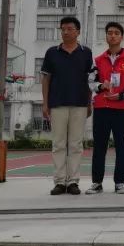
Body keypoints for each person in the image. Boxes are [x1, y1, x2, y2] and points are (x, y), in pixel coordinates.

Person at [85, 22, 124, 195]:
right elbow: (90, 82)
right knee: (100, 147)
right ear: (106, 36)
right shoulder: (98, 60)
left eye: (116, 33)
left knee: (121, 146)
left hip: (121, 108)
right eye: (109, 33)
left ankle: (120, 182)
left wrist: (122, 96)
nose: (113, 35)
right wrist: (102, 86)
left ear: (122, 36)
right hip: (101, 107)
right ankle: (97, 182)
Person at [41, 17, 94, 195]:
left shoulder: (86, 52)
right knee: (58, 144)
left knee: (76, 144)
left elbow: (90, 80)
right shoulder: (52, 53)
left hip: (79, 104)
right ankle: (59, 182)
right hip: (57, 104)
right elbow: (46, 79)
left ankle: (73, 182)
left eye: (70, 29)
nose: (65, 32)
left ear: (78, 31)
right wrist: (45, 103)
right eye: (63, 29)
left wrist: (89, 102)